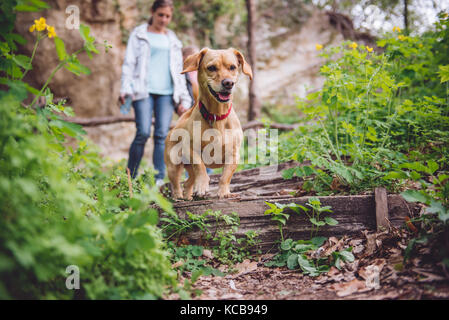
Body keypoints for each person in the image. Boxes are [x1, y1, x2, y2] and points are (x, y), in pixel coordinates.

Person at [119, 0, 192, 186]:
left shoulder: (173, 40)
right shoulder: (139, 35)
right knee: (143, 132)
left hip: (167, 94)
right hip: (143, 90)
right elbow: (129, 63)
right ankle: (131, 176)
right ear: (152, 12)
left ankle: (159, 179)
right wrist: (125, 88)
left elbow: (178, 71)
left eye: (168, 16)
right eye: (160, 15)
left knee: (161, 135)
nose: (164, 19)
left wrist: (183, 98)